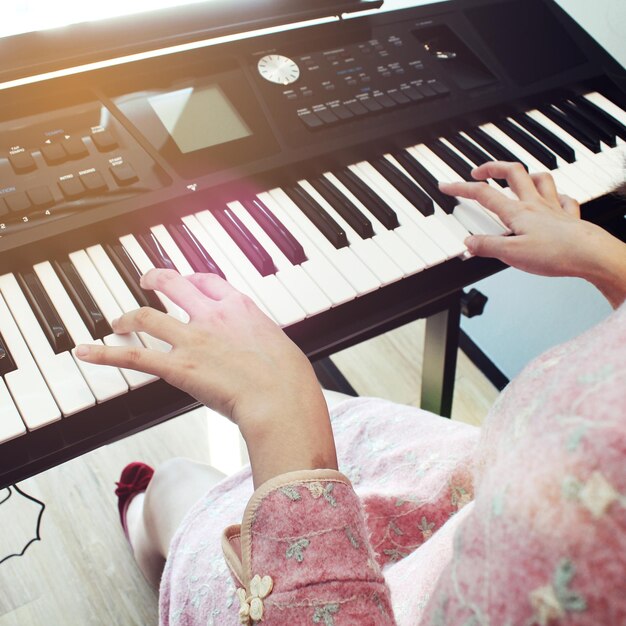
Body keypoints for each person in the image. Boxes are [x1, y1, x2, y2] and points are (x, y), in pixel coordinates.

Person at [76, 161, 626, 625]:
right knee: (332, 415)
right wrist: (608, 262)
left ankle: (152, 534)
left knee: (176, 482)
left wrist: (281, 408)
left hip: (379, 600)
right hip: (482, 488)